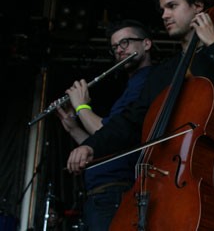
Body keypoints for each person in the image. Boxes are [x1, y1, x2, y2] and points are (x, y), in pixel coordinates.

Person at [65, 0, 214, 230]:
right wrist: (92, 146)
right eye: (162, 9)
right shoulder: (163, 73)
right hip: (168, 193)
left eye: (172, 6)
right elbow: (130, 120)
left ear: (198, 7)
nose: (164, 15)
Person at [54, 19, 153, 231]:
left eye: (125, 42)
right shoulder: (130, 87)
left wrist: (81, 107)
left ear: (146, 44)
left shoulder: (147, 83)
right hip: (101, 194)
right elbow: (104, 143)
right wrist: (73, 128)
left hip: (117, 193)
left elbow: (111, 133)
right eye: (115, 47)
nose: (119, 50)